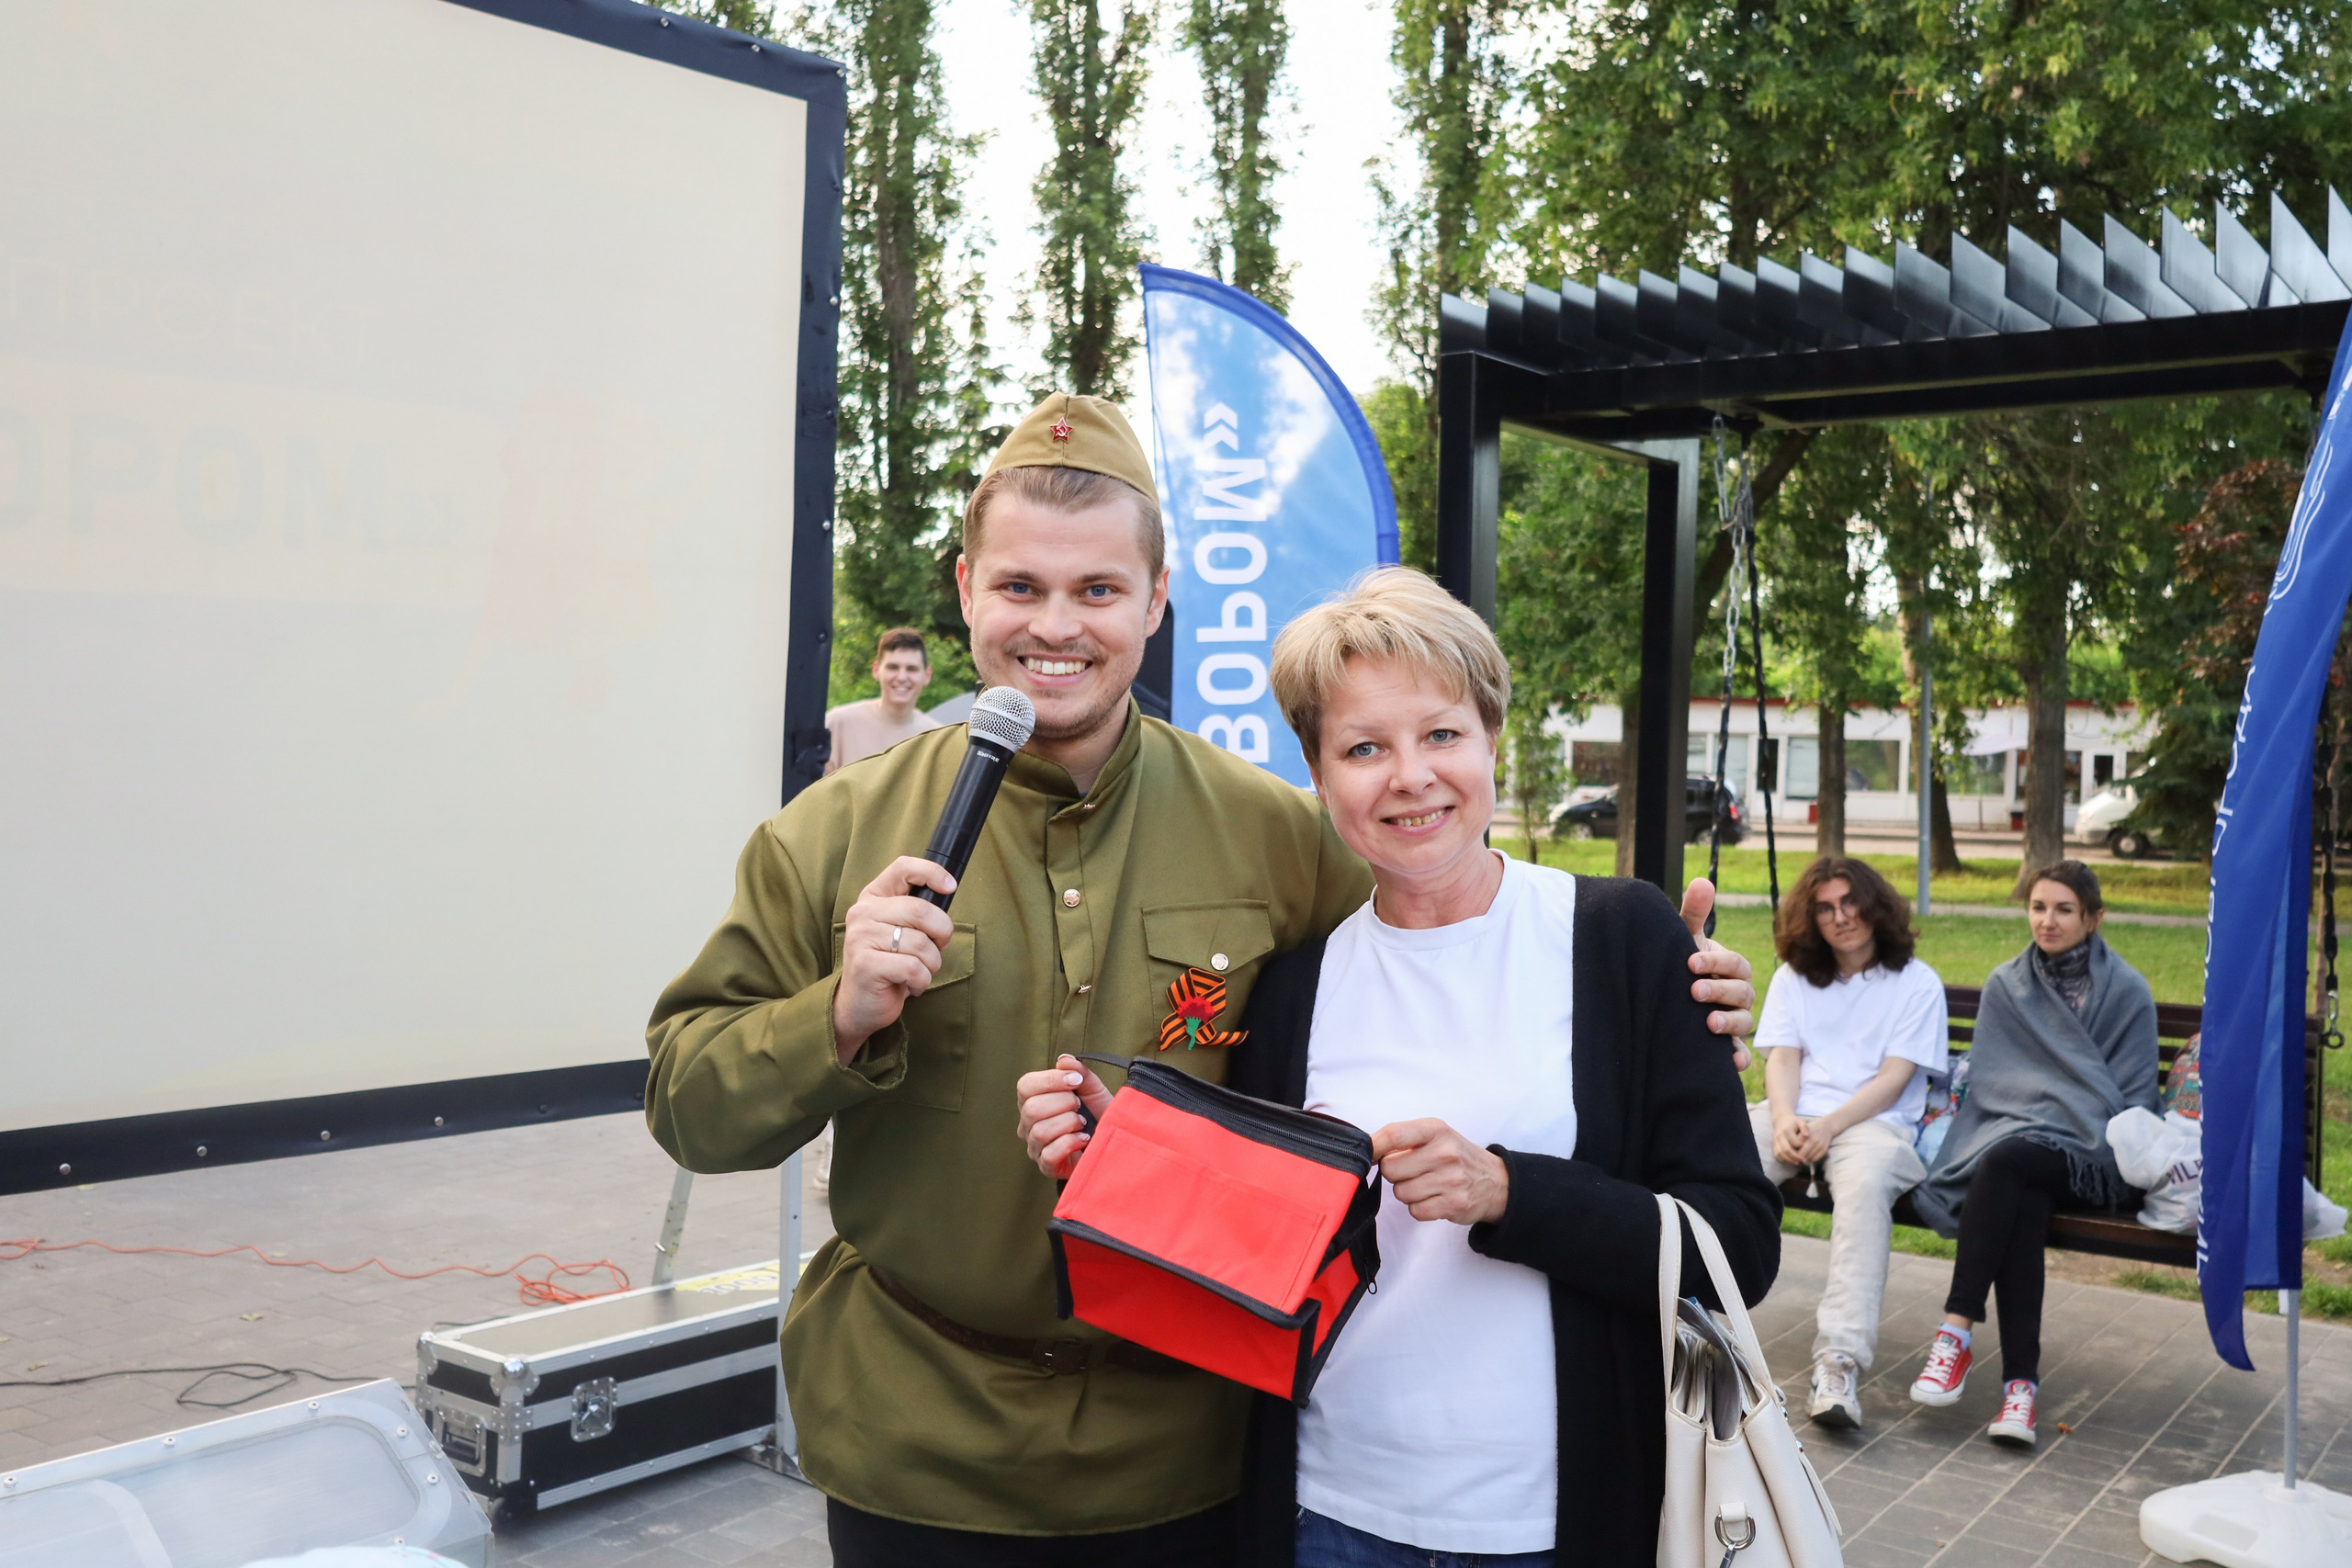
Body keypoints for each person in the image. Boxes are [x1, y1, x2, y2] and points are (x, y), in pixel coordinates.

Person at [647, 392, 1761, 1567]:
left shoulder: (1271, 835)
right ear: (967, 587)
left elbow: (1437, 916)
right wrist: (838, 1012)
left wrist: (1667, 1001)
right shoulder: (827, 836)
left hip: (1188, 1450)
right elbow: (687, 1106)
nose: (1056, 627)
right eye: (1020, 588)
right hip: (916, 1442)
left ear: (1156, 599)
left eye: (1098, 591)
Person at [1019, 570, 1781, 1568]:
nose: (1410, 775)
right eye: (1364, 748)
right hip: (1330, 1515)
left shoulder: (1618, 940)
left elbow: (1738, 1245)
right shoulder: (1295, 984)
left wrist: (1509, 1190)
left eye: (1441, 734)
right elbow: (1253, 1244)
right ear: (1321, 778)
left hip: (1557, 1522)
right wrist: (1117, 1155)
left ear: (1491, 741)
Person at [1905, 860, 2159, 1449]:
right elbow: (1995, 1082)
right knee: (2021, 1192)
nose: (2048, 920)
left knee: (2010, 1164)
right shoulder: (2007, 985)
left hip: (2097, 1157)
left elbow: (2132, 1100)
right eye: (2039, 907)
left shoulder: (2128, 993)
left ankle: (1956, 1331)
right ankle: (2020, 1389)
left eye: (2064, 909)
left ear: (2094, 918)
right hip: (2020, 1149)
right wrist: (2041, 1117)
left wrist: (2059, 1117)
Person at [1748, 855, 1946, 1431]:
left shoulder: (1916, 982)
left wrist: (1829, 1127)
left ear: (1875, 905)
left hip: (1873, 1123)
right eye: (1826, 908)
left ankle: (1838, 1361)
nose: (1841, 918)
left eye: (1850, 903)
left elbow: (1894, 1078)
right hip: (1796, 1114)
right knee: (1722, 1167)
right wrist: (1785, 1119)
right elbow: (1783, 1058)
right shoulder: (1793, 978)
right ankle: (1684, 1326)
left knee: (1862, 1189)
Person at [824, 626, 940, 774]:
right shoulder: (839, 723)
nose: (902, 677)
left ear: (927, 675)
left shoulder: (934, 737)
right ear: (876, 670)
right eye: (893, 667)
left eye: (911, 669)